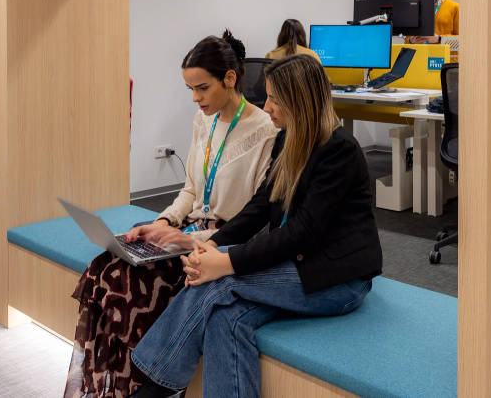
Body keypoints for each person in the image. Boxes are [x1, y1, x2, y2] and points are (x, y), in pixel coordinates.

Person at [128, 54, 383, 398]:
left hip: (337, 280)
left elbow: (301, 232)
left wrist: (226, 263)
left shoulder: (341, 151)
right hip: (299, 266)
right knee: (225, 318)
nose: (267, 106)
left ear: (300, 101)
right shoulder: (287, 140)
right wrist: (214, 245)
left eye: (275, 98)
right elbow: (261, 207)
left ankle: (156, 389)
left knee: (216, 286)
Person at [65, 31, 279, 398]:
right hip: (190, 229)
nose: (196, 99)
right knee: (107, 267)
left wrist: (192, 239)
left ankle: (150, 386)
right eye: (190, 90)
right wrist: (164, 222)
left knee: (129, 285)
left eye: (202, 88)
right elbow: (191, 190)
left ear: (230, 79)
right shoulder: (203, 122)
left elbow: (255, 217)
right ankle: (111, 388)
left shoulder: (265, 130)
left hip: (225, 241)